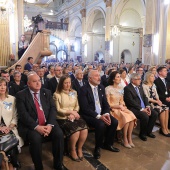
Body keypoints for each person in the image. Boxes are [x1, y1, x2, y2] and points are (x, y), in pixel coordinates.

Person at [15, 73, 67, 170]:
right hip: (31, 125)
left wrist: (50, 125)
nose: (38, 83)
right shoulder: (21, 95)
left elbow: (53, 109)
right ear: (28, 83)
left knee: (59, 134)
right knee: (35, 138)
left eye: (39, 80)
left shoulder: (46, 92)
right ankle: (38, 166)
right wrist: (36, 127)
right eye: (35, 81)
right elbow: (23, 115)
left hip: (48, 123)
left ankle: (58, 164)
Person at [79, 70, 119, 160]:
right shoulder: (83, 89)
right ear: (89, 78)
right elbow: (85, 108)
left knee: (114, 122)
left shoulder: (101, 87)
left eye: (99, 75)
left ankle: (108, 144)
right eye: (96, 76)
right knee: (100, 124)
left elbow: (105, 104)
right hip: (90, 115)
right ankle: (98, 147)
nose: (99, 77)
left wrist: (106, 113)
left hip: (101, 113)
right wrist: (99, 116)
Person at [53, 75, 88, 162]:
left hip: (74, 116)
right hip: (62, 118)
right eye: (65, 83)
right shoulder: (57, 94)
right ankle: (72, 150)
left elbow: (77, 105)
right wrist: (70, 112)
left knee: (84, 130)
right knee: (76, 132)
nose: (68, 85)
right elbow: (58, 110)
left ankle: (79, 148)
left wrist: (74, 112)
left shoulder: (74, 92)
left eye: (69, 82)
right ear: (61, 84)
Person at [106, 71, 137, 148]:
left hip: (121, 108)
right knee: (126, 118)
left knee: (132, 116)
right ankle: (125, 139)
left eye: (120, 76)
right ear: (113, 79)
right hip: (113, 109)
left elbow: (122, 100)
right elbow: (108, 104)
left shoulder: (121, 88)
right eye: (118, 77)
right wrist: (118, 106)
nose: (120, 78)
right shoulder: (108, 89)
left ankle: (130, 138)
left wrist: (122, 105)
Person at [124, 73, 158, 141]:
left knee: (154, 113)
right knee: (145, 116)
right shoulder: (127, 88)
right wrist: (142, 109)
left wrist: (147, 106)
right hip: (133, 108)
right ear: (133, 80)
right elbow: (130, 101)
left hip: (143, 106)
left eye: (140, 79)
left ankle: (149, 131)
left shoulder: (140, 87)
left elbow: (145, 97)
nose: (140, 80)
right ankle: (142, 134)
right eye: (139, 79)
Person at [0, 77, 24, 169]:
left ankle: (12, 163)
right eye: (0, 85)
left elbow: (15, 116)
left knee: (13, 141)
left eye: (4, 85)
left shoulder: (12, 99)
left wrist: (9, 127)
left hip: (10, 127)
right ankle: (8, 163)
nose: (2, 87)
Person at [143, 72, 170, 137]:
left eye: (153, 76)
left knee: (166, 108)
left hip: (156, 102)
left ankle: (165, 128)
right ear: (148, 78)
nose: (154, 77)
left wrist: (159, 100)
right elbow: (146, 98)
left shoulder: (153, 85)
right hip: (150, 103)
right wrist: (156, 101)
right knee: (162, 110)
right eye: (152, 76)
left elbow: (156, 94)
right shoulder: (144, 86)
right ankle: (163, 129)